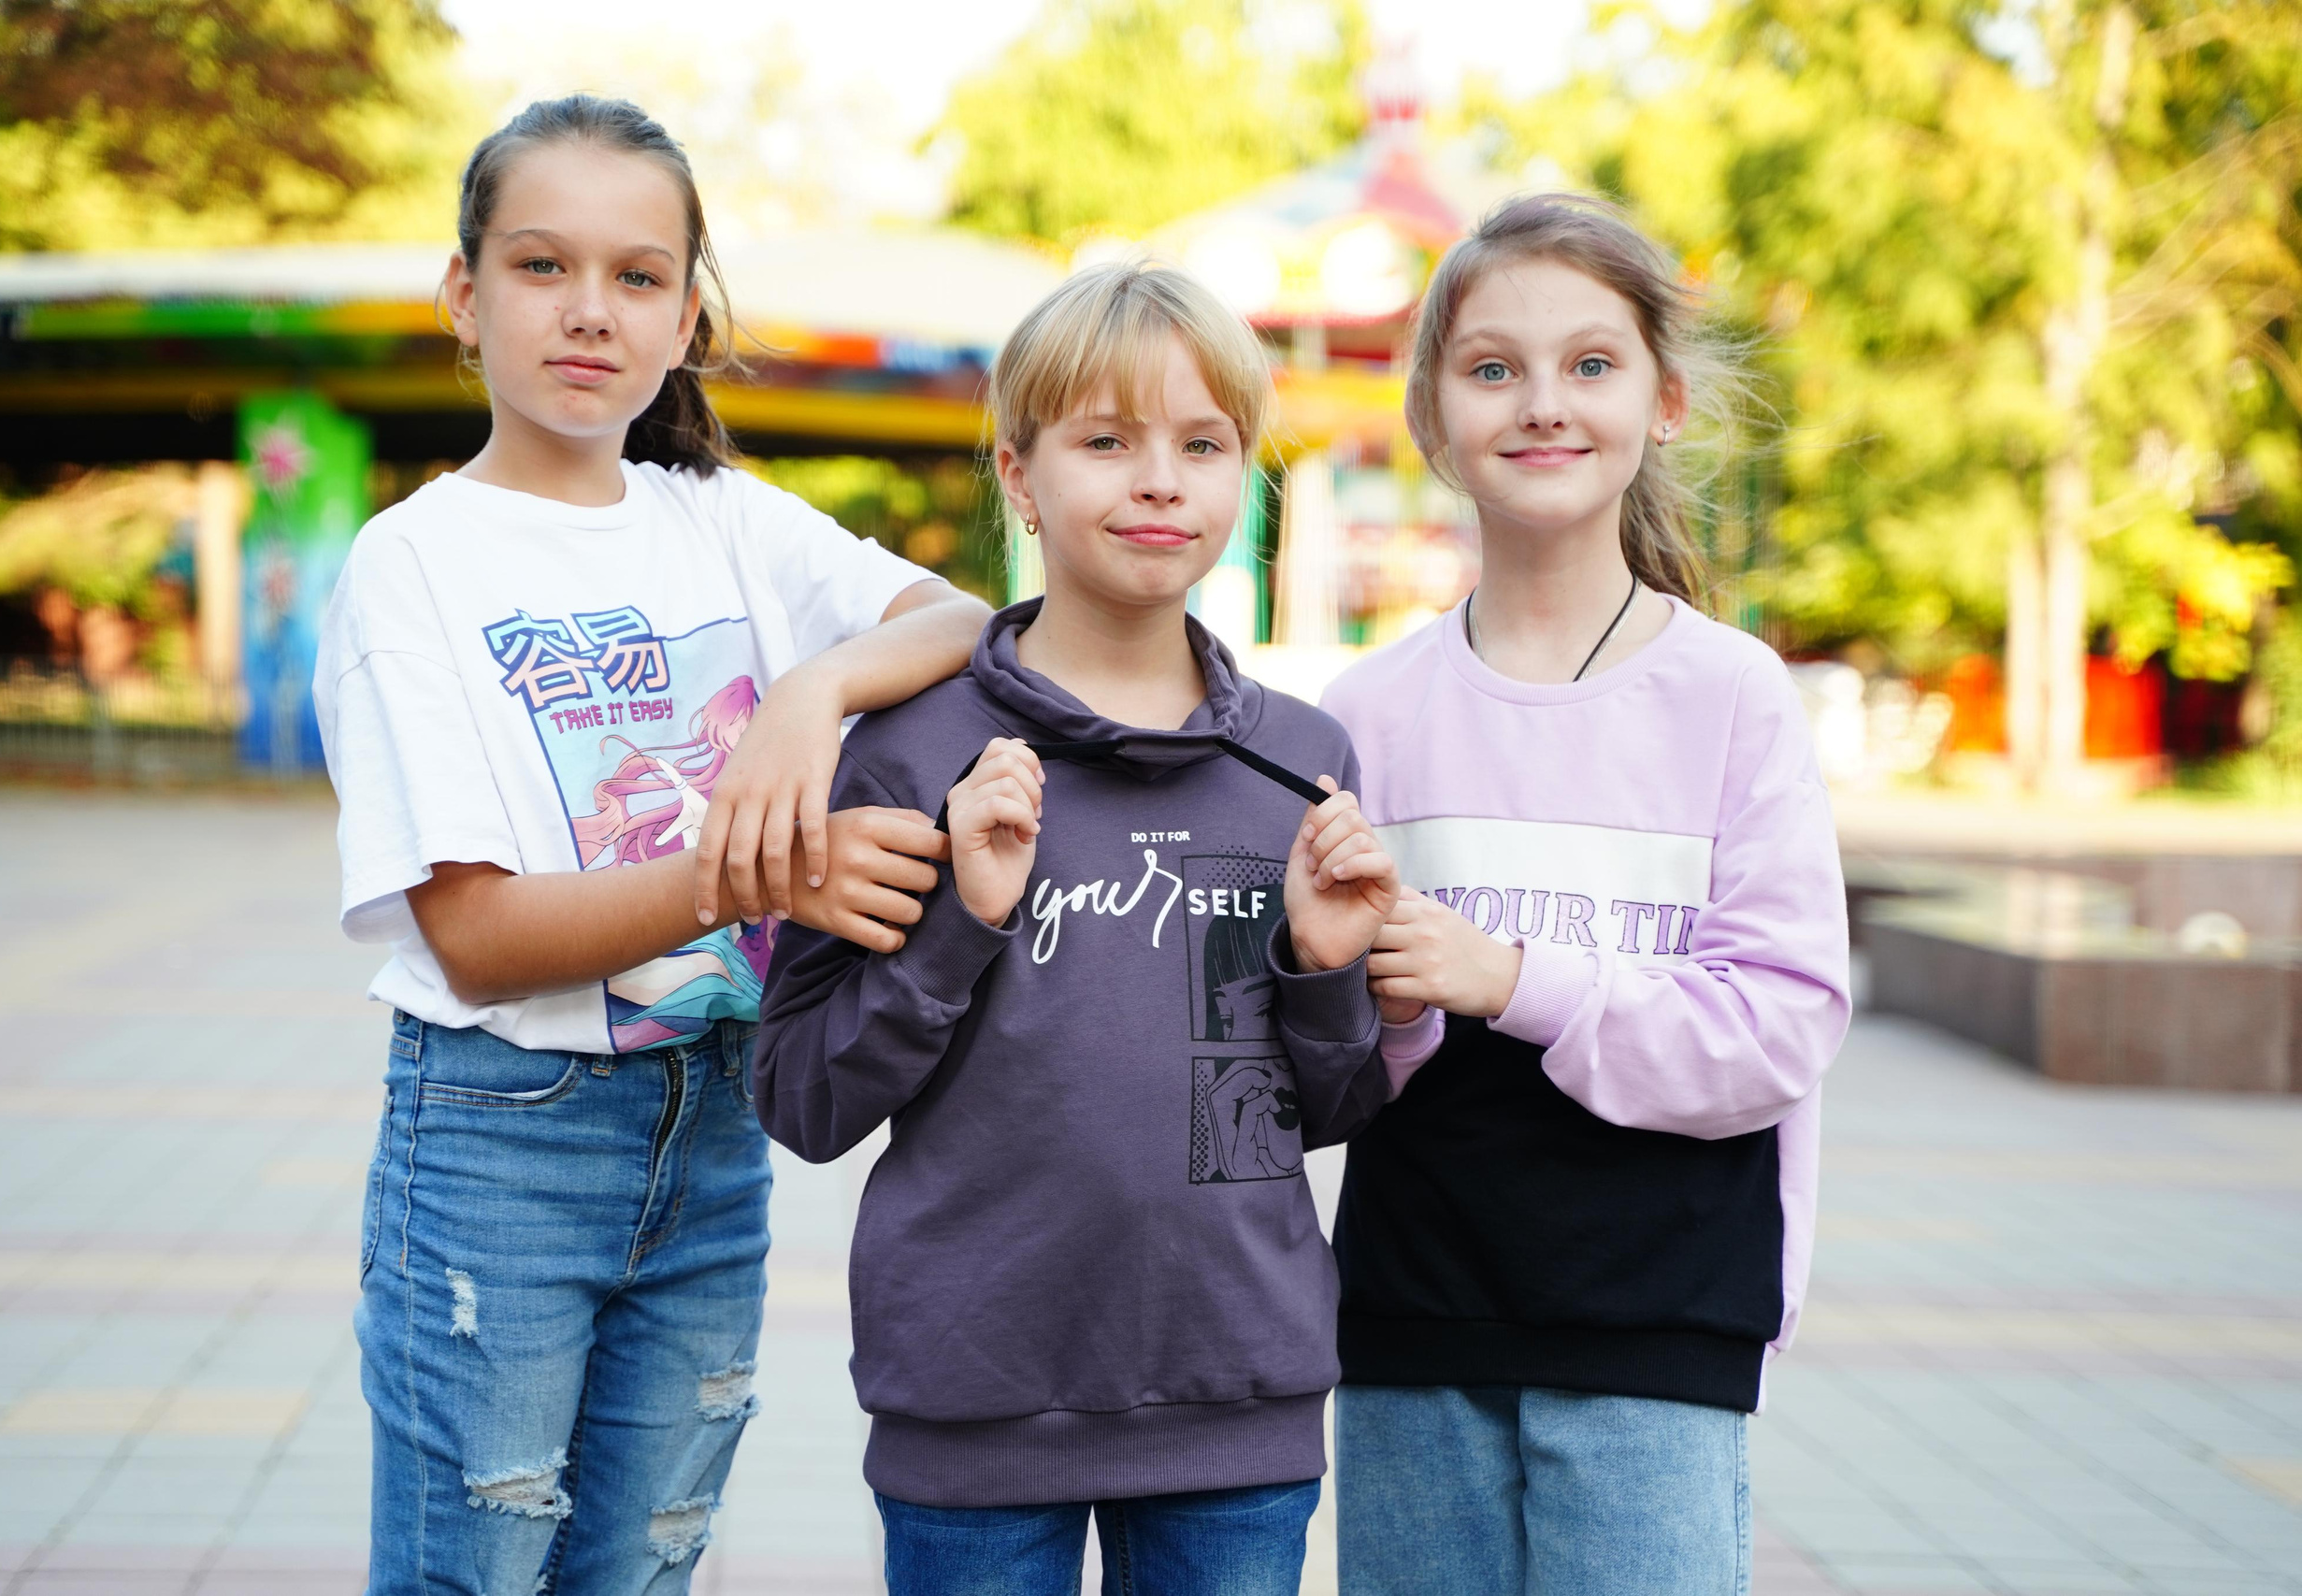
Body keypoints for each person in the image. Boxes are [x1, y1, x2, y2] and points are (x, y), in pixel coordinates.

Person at [311, 94, 989, 1594]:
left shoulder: (725, 521)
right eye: (544, 267)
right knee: (469, 1574)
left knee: (643, 1573)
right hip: (499, 1138)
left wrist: (811, 691)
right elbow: (478, 941)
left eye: (638, 278)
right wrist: (748, 872)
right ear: (464, 294)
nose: (590, 313)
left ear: (687, 315)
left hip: (715, 1127)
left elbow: (964, 627)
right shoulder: (414, 564)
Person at [753, 263, 1404, 1596]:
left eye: (1203, 445)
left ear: (1243, 480)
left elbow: (1327, 1107)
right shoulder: (911, 749)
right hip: (974, 1405)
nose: (1158, 481)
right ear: (1019, 472)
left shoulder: (1300, 757)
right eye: (1107, 441)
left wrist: (1326, 969)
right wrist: (959, 928)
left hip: (1237, 1405)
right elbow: (802, 1100)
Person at [1319, 193, 1852, 1595]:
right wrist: (1360, 996)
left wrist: (1512, 981)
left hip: (1657, 1339)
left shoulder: (1732, 697)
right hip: (1410, 1328)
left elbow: (1783, 1027)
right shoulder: (1364, 714)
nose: (1542, 403)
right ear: (1432, 416)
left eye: (1591, 365)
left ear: (1664, 401)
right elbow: (1320, 1063)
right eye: (1492, 367)